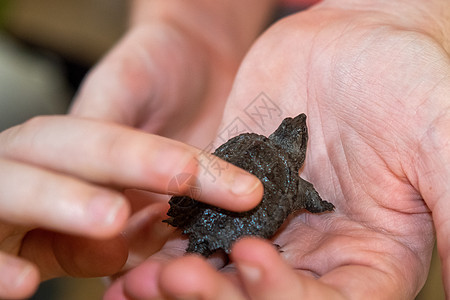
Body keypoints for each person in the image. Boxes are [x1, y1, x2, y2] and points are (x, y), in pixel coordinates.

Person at [1, 0, 449, 299]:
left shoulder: (268, 157)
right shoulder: (292, 181)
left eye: (295, 131)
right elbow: (307, 197)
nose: (296, 127)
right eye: (293, 130)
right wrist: (191, 28)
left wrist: (414, 13)